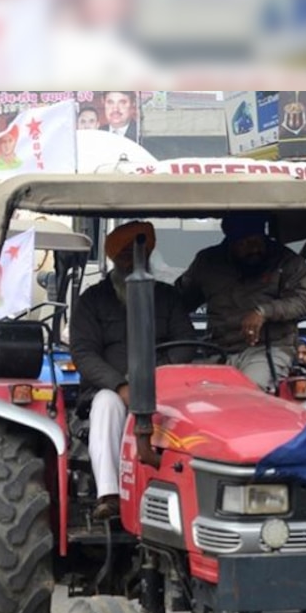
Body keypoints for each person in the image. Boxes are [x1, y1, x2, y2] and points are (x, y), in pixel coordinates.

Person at [70, 221, 196, 520]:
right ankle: (110, 495)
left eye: (140, 252)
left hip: (164, 388)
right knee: (106, 405)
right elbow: (84, 353)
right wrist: (120, 385)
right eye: (126, 253)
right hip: (110, 391)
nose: (133, 259)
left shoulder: (167, 297)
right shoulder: (93, 300)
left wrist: (155, 378)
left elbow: (186, 343)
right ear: (114, 256)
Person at [176, 213, 306, 391]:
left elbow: (304, 301)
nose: (253, 249)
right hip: (218, 349)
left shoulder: (287, 262)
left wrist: (264, 312)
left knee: (249, 389)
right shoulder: (208, 263)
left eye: (258, 241)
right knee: (189, 392)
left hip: (268, 349)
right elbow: (181, 301)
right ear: (231, 240)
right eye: (245, 243)